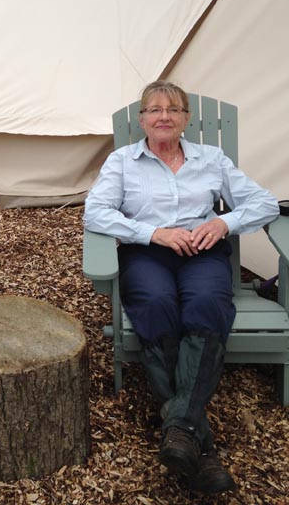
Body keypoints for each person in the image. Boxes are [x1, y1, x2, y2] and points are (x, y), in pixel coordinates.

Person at [83, 80, 279, 494]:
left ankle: (179, 427)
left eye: (174, 109)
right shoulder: (122, 162)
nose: (164, 116)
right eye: (155, 110)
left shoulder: (212, 159)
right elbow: (95, 213)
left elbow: (262, 202)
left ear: (187, 119)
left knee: (207, 304)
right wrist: (153, 233)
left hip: (203, 252)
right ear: (141, 120)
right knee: (155, 304)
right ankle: (201, 447)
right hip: (147, 251)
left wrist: (223, 222)